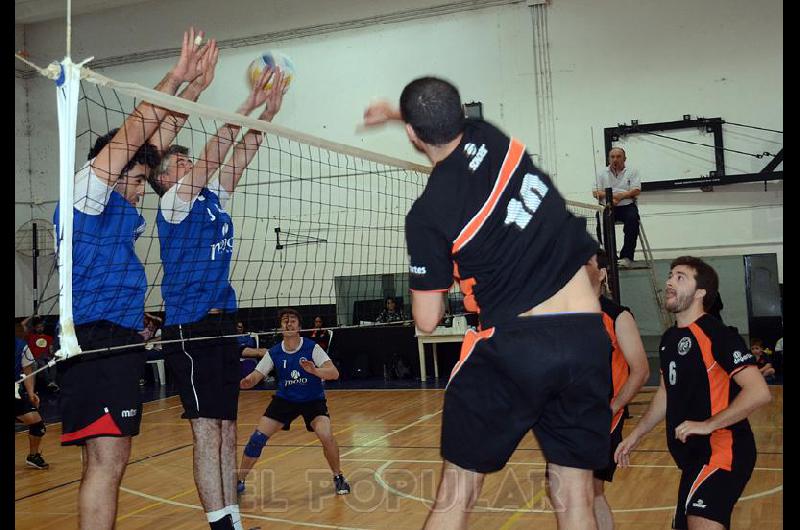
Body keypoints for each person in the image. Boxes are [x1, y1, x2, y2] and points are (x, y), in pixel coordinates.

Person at [363, 77, 610, 529]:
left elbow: (428, 319)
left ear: (412, 135)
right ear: (462, 115)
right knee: (575, 492)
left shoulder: (428, 214)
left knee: (457, 491)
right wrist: (401, 112)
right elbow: (442, 118)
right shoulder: (491, 137)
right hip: (587, 337)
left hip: (517, 344)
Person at [51, 27, 212, 529]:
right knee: (107, 463)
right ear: (111, 172)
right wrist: (178, 75)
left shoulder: (115, 207)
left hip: (115, 340)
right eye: (138, 180)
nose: (144, 188)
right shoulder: (84, 195)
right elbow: (138, 132)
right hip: (98, 345)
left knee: (105, 463)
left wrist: (196, 92)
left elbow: (152, 143)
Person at [146, 56, 288, 530]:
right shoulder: (173, 203)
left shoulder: (211, 198)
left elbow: (241, 152)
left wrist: (266, 112)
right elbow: (214, 153)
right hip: (190, 328)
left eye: (187, 159)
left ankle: (233, 519)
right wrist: (247, 99)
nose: (187, 163)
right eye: (177, 161)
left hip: (224, 323)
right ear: (163, 178)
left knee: (227, 429)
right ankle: (219, 523)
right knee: (207, 432)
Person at [615, 256, 772, 530]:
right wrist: (635, 436)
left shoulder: (717, 334)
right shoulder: (669, 339)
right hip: (693, 459)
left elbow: (759, 391)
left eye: (680, 277)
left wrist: (708, 424)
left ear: (701, 292)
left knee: (701, 522)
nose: (669, 282)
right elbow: (665, 393)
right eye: (670, 276)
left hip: (724, 450)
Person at [237, 308, 351, 496]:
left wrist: (315, 371)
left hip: (313, 400)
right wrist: (245, 382)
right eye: (284, 321)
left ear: (299, 326)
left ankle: (338, 476)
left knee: (326, 435)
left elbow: (334, 373)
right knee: (257, 439)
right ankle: (239, 480)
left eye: (292, 321)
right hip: (285, 400)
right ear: (280, 327)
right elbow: (256, 376)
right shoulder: (274, 352)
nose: (288, 324)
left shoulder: (311, 347)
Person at [584, 249, 650, 529]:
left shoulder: (617, 316)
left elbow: (641, 371)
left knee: (590, 491)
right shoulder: (560, 314)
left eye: (584, 264)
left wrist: (613, 407)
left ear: (601, 274)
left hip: (601, 421)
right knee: (564, 491)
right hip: (566, 419)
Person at [593, 147, 641, 268]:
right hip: (607, 206)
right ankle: (610, 258)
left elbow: (636, 190)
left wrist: (621, 196)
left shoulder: (632, 171)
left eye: (618, 157)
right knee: (602, 226)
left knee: (633, 221)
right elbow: (596, 193)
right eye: (612, 157)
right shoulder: (601, 173)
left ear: (624, 158)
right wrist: (612, 197)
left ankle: (626, 257)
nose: (615, 159)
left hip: (627, 206)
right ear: (609, 159)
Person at [15, 334, 49, 469]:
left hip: (16, 393)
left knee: (38, 425)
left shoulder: (21, 346)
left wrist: (30, 393)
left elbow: (28, 371)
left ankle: (33, 456)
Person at [22, 315, 59, 392]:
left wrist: (53, 355)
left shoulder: (49, 338)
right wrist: (32, 316)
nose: (40, 328)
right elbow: (23, 324)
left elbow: (51, 350)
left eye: (41, 327)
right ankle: (49, 383)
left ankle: (52, 382)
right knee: (42, 363)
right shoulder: (31, 336)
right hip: (35, 358)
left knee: (52, 362)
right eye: (38, 327)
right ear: (35, 328)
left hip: (46, 357)